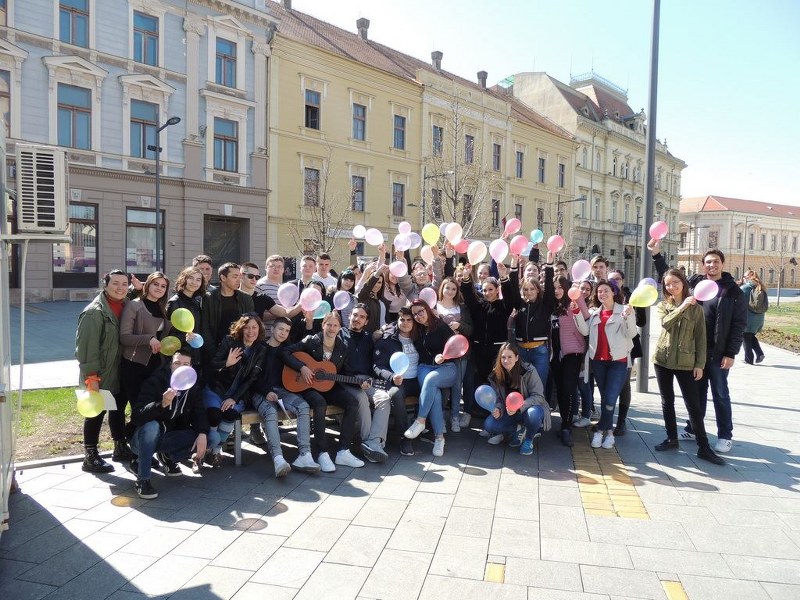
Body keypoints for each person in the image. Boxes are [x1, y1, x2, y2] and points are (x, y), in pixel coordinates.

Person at [650, 241, 747, 454]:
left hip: (718, 352)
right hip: (694, 351)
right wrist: (657, 255)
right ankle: (693, 428)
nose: (712, 265)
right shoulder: (695, 285)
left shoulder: (733, 292)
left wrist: (731, 353)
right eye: (708, 262)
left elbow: (739, 325)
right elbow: (671, 278)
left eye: (716, 262)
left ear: (722, 264)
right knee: (697, 393)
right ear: (703, 265)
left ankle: (724, 435)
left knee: (720, 393)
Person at [652, 269, 724, 465]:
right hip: (663, 360)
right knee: (667, 402)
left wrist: (700, 364)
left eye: (675, 282)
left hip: (686, 362)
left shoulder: (697, 309)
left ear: (683, 283)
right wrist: (682, 307)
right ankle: (671, 438)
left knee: (693, 405)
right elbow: (666, 323)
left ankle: (704, 447)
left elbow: (701, 339)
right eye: (667, 284)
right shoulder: (663, 306)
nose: (671, 287)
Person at [281, 311, 364, 471]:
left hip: (328, 386)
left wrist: (360, 383)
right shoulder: (311, 341)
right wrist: (302, 367)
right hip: (306, 385)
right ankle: (322, 452)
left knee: (352, 402)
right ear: (323, 325)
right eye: (329, 324)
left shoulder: (343, 347)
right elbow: (284, 352)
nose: (332, 328)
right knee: (320, 402)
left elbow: (346, 373)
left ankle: (343, 452)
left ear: (340, 328)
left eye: (335, 325)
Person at [128, 350, 213, 499]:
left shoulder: (191, 386)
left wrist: (202, 433)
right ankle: (143, 480)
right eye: (177, 363)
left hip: (167, 436)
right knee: (152, 426)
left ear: (191, 367)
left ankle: (167, 455)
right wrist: (161, 404)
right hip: (141, 441)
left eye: (186, 364)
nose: (181, 367)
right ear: (170, 365)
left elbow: (199, 413)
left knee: (209, 438)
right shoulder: (156, 381)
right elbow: (137, 416)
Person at [251, 317, 320, 476]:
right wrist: (266, 391)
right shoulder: (259, 347)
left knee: (303, 406)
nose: (283, 333)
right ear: (272, 329)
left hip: (282, 391)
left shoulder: (287, 349)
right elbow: (252, 377)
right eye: (280, 329)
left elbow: (305, 346)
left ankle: (305, 455)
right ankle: (278, 459)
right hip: (259, 391)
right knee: (271, 412)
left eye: (287, 330)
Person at [75, 269, 129, 473]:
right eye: (115, 283)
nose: (120, 288)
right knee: (95, 412)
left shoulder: (124, 306)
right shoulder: (94, 312)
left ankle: (120, 447)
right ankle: (90, 456)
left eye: (124, 284)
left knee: (118, 409)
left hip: (119, 370)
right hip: (100, 373)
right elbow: (86, 350)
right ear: (105, 284)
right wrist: (92, 378)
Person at [574, 280, 637, 449]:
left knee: (610, 399)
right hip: (599, 362)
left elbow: (631, 333)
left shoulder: (625, 310)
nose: (602, 294)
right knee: (605, 398)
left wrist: (629, 317)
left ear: (614, 292)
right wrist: (576, 312)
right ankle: (609, 434)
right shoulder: (594, 313)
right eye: (600, 291)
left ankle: (599, 431)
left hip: (619, 362)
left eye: (606, 290)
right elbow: (585, 331)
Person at [119, 271, 172, 461]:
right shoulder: (135, 306)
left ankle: (149, 451)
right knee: (140, 412)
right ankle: (137, 455)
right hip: (135, 366)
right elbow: (124, 337)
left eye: (163, 286)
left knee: (155, 410)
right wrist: (147, 339)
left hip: (156, 366)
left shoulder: (163, 308)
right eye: (155, 284)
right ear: (147, 285)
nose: (159, 288)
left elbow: (164, 338)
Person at [203, 314, 267, 467]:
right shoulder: (229, 341)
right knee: (214, 414)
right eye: (246, 327)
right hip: (217, 389)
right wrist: (226, 363)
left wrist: (234, 398)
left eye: (254, 327)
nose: (250, 331)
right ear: (241, 328)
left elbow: (252, 379)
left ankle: (215, 451)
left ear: (259, 329)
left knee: (230, 414)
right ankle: (206, 450)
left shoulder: (260, 349)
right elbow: (212, 365)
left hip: (238, 394)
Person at [403, 300, 461, 458]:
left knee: (430, 381)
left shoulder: (441, 326)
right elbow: (398, 326)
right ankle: (439, 438)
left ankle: (420, 421)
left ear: (427, 309)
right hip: (424, 367)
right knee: (434, 394)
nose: (418, 316)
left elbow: (456, 347)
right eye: (415, 313)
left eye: (420, 311)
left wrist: (445, 355)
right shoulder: (416, 329)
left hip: (446, 368)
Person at [339, 304, 392, 463]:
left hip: (367, 380)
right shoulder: (339, 334)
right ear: (349, 316)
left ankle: (373, 442)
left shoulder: (369, 338)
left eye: (362, 317)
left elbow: (375, 362)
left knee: (383, 397)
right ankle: (368, 442)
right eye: (355, 315)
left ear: (366, 321)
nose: (357, 319)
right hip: (345, 380)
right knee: (361, 398)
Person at [483, 343, 551, 455]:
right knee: (489, 425)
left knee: (533, 415)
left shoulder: (529, 371)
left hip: (529, 410)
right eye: (503, 357)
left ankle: (529, 439)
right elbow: (498, 399)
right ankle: (517, 429)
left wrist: (520, 406)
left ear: (517, 358)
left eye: (510, 357)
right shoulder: (496, 374)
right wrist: (498, 409)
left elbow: (539, 396)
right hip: (509, 412)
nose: (506, 360)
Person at [460, 263, 515, 396]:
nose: (487, 293)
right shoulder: (479, 305)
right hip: (479, 350)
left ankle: (499, 409)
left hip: (497, 350)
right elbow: (469, 296)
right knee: (480, 379)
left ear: (497, 290)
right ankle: (480, 410)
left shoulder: (503, 306)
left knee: (497, 381)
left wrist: (504, 277)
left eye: (490, 289)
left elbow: (509, 296)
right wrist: (466, 278)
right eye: (484, 290)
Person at [373, 307, 418, 456]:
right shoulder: (388, 339)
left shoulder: (420, 337)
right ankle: (405, 437)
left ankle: (423, 428)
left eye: (409, 319)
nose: (405, 323)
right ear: (397, 321)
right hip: (398, 381)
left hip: (418, 380)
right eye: (402, 320)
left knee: (438, 391)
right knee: (397, 395)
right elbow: (377, 366)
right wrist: (391, 377)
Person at [606, 269, 647, 436]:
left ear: (623, 280)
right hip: (606, 347)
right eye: (611, 279)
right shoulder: (605, 295)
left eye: (617, 279)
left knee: (624, 385)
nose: (614, 282)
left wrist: (631, 314)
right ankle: (607, 419)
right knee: (606, 384)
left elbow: (642, 322)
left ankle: (621, 421)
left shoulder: (632, 298)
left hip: (627, 347)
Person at [507, 251, 555, 388]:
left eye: (532, 289)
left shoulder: (545, 305)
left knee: (539, 386)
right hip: (521, 351)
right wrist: (514, 266)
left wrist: (549, 264)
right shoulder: (520, 304)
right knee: (523, 386)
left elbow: (550, 287)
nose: (529, 292)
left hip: (540, 351)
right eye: (526, 289)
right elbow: (513, 287)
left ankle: (541, 409)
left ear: (538, 290)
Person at [550, 277, 587, 447]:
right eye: (555, 287)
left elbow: (586, 317)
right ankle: (564, 423)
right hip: (555, 355)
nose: (557, 290)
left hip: (573, 353)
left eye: (560, 287)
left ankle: (566, 427)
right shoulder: (552, 306)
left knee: (568, 389)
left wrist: (578, 297)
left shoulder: (573, 301)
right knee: (561, 390)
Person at [436, 276, 474, 431]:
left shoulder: (462, 308)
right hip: (441, 352)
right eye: (447, 288)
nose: (450, 291)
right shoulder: (434, 306)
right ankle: (441, 416)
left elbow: (471, 329)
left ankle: (455, 416)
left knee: (457, 385)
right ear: (442, 289)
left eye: (453, 288)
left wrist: (460, 326)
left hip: (460, 352)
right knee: (442, 386)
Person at [201, 262, 255, 368]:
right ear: (223, 277)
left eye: (239, 276)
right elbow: (205, 328)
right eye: (235, 276)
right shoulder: (208, 298)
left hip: (240, 351)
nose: (238, 279)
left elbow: (251, 324)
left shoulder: (246, 299)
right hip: (214, 351)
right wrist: (214, 353)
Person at [167, 267, 207, 381]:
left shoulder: (197, 301)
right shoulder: (175, 302)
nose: (194, 282)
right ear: (184, 279)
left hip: (196, 353)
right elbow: (169, 332)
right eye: (191, 278)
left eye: (198, 279)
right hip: (181, 355)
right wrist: (185, 338)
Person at [741, 270, 768, 364]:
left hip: (748, 318)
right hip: (759, 318)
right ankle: (760, 354)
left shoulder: (745, 288)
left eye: (744, 277)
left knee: (745, 336)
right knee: (750, 336)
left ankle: (749, 359)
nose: (743, 279)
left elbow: (739, 303)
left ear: (749, 277)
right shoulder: (761, 287)